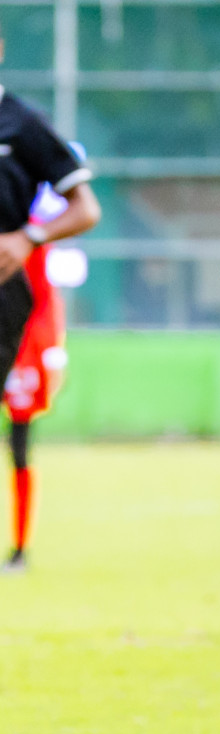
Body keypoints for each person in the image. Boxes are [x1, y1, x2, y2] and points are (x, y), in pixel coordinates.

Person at [0, 40, 101, 575]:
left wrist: (27, 237)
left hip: (12, 315)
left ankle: (19, 548)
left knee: (19, 441)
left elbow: (86, 209)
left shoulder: (22, 126)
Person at [4, 174, 80, 571]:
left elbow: (45, 299)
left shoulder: (31, 238)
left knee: (19, 449)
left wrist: (51, 353)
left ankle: (20, 549)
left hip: (22, 350)